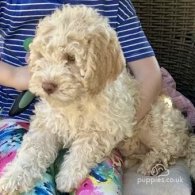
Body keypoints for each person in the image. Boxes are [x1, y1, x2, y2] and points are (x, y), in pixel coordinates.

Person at [0, 0, 191, 194]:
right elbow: (43, 130)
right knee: (22, 185)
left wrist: (117, 129)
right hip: (16, 120)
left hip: (104, 133)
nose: (52, 74)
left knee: (98, 188)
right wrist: (13, 75)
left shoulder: (115, 6)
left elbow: (149, 74)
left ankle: (167, 151)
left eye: (71, 59)